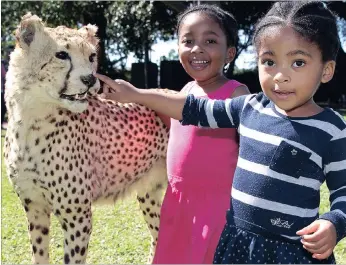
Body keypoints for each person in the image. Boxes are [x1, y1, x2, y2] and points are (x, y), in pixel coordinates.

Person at [95, 1, 346, 263]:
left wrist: (334, 222)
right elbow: (194, 109)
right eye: (269, 61)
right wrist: (135, 94)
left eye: (297, 63)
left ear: (326, 70)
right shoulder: (250, 108)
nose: (280, 75)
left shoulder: (331, 128)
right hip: (237, 246)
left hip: (291, 253)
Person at [111, 4, 249, 263]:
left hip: (218, 208)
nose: (197, 48)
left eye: (209, 40)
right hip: (179, 203)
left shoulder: (236, 93)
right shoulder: (184, 91)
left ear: (229, 53)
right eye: (188, 41)